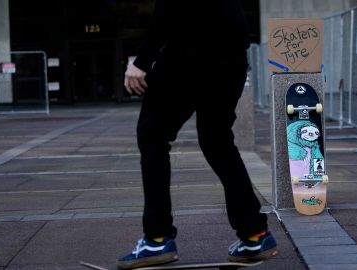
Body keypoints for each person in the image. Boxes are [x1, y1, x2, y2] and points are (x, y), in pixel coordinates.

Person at [118, 0, 278, 269]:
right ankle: (254, 235)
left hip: (190, 54)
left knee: (152, 136)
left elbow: (169, 8)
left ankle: (156, 238)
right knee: (217, 140)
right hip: (231, 58)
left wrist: (142, 60)